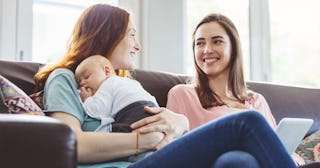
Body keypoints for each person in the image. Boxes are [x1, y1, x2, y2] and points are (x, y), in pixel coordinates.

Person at [34, 4, 297, 168]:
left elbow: (169, 134)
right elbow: (71, 145)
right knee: (245, 122)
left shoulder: (126, 86)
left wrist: (180, 123)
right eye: (132, 35)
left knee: (238, 162)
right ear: (106, 33)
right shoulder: (65, 78)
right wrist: (141, 141)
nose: (137, 45)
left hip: (157, 159)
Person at [166, 13, 304, 165]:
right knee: (237, 160)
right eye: (199, 43)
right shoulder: (182, 94)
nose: (207, 49)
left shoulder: (256, 101)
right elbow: (173, 152)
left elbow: (275, 146)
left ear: (234, 48)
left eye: (217, 41)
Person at [75, 55, 158, 162]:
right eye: (79, 81)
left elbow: (97, 111)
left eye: (86, 77)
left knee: (133, 150)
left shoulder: (107, 84)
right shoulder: (129, 82)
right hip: (152, 112)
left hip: (133, 114)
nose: (82, 83)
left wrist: (86, 99)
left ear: (107, 71)